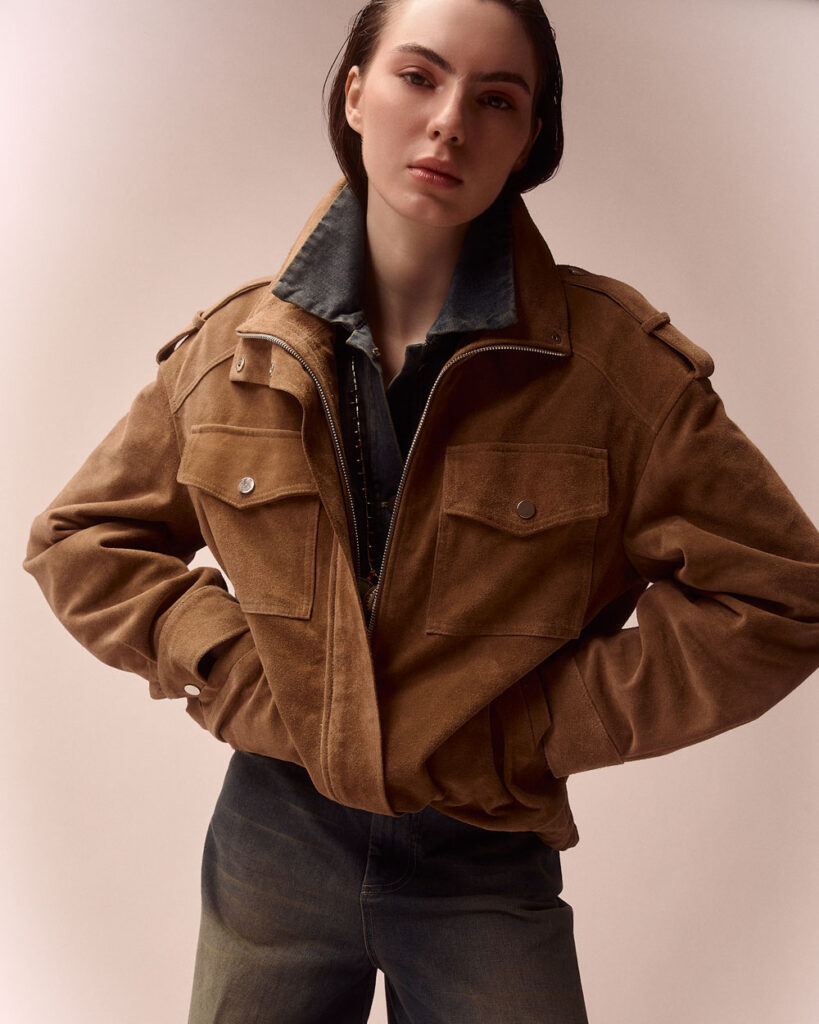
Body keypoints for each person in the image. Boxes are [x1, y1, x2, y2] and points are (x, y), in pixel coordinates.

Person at [22, 0, 819, 1021]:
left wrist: (537, 726)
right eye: (418, 76)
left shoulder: (614, 371)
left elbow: (783, 597)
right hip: (273, 841)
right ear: (356, 93)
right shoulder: (236, 352)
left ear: (529, 138)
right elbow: (79, 540)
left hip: (482, 853)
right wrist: (228, 666)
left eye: (496, 99)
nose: (449, 122)